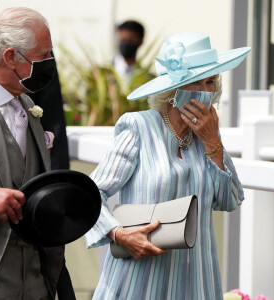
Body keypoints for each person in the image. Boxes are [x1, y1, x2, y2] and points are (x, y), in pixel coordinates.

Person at [85, 32, 250, 299]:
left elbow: (229, 200)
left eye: (211, 82)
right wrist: (118, 234)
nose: (208, 92)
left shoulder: (207, 138)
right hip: (140, 278)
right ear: (174, 92)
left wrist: (212, 142)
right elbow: (90, 193)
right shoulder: (139, 128)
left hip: (197, 279)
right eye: (197, 83)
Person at [0, 7, 74, 300]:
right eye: (43, 56)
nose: (50, 63)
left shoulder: (30, 108)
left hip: (37, 279)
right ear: (10, 56)